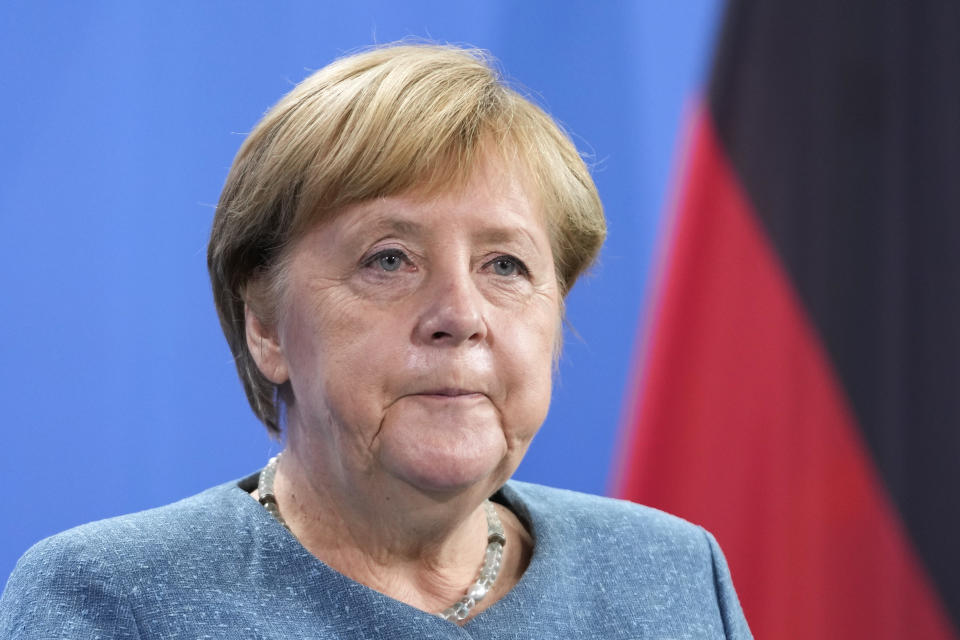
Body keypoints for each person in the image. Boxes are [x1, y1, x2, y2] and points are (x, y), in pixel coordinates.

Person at [0, 43, 752, 638]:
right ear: (266, 326)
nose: (459, 314)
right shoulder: (115, 601)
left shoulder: (671, 575)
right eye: (388, 259)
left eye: (505, 265)